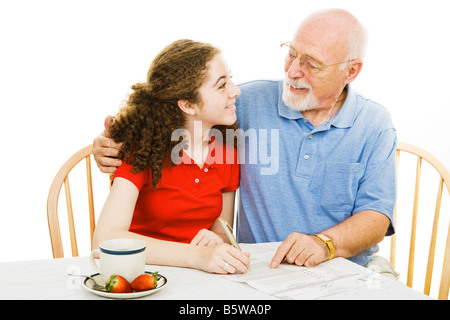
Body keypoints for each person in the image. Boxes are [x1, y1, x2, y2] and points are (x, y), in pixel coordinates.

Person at [93, 9, 396, 270]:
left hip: (344, 270)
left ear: (351, 71)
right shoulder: (246, 104)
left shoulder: (375, 124)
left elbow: (376, 217)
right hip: (263, 269)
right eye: (291, 53)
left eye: (312, 64)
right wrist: (116, 142)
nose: (292, 71)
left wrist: (325, 244)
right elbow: (172, 100)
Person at [92, 39, 250, 274]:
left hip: (199, 275)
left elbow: (222, 228)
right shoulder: (144, 150)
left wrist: (216, 239)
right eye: (221, 85)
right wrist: (196, 256)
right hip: (143, 273)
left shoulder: (227, 150)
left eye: (231, 79)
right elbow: (106, 240)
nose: (236, 91)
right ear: (188, 105)